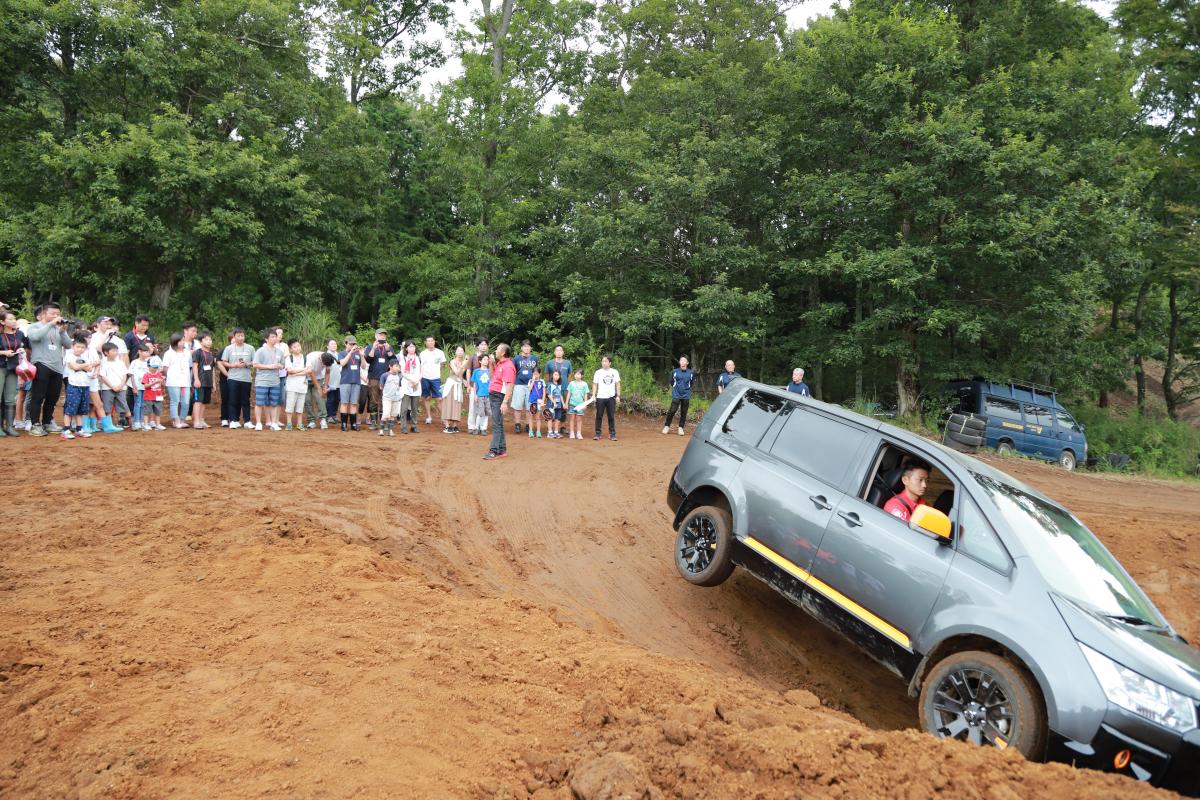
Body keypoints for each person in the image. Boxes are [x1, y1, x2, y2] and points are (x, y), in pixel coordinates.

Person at [25, 303, 73, 436]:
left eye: (58, 314)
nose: (56, 316)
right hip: (41, 364)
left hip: (57, 367)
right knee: (38, 396)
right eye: (53, 313)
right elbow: (34, 337)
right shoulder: (34, 326)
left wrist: (63, 332)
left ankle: (47, 422)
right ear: (44, 314)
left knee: (53, 397)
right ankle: (35, 424)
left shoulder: (58, 328)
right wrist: (51, 324)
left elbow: (68, 345)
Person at [0, 311, 30, 437]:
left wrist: (22, 349)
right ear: (2, 322)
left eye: (14, 318)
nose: (14, 321)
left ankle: (10, 427)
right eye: (11, 319)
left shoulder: (20, 334)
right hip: (1, 366)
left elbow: (26, 346)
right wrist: (3, 353)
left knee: (10, 398)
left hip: (13, 368)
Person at [484, 343, 516, 460]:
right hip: (495, 395)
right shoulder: (500, 364)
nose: (495, 350)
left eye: (497, 349)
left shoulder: (508, 366)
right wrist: (492, 364)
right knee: (498, 423)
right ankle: (502, 449)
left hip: (499, 397)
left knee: (496, 424)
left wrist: (505, 402)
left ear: (503, 353)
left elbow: (510, 385)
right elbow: (493, 377)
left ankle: (494, 450)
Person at [61, 333, 95, 440]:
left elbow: (90, 369)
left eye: (82, 347)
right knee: (70, 408)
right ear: (73, 347)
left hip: (85, 385)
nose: (80, 349)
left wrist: (82, 367)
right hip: (74, 385)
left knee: (82, 409)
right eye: (78, 347)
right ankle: (66, 429)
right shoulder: (69, 356)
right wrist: (84, 366)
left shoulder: (84, 357)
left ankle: (79, 429)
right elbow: (74, 366)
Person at [220, 328, 255, 429]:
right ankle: (233, 420)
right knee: (232, 400)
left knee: (245, 400)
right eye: (238, 336)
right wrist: (234, 365)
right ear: (234, 337)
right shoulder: (229, 348)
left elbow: (255, 362)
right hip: (233, 378)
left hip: (246, 379)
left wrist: (247, 364)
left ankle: (247, 421)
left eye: (242, 336)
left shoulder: (250, 348)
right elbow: (224, 362)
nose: (240, 338)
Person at [252, 328, 284, 431]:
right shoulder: (260, 351)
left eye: (275, 336)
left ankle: (274, 423)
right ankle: (258, 423)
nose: (275, 338)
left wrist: (280, 365)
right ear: (266, 339)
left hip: (275, 381)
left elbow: (283, 364)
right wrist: (270, 366)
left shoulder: (279, 351)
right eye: (272, 337)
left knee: (274, 403)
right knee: (260, 403)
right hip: (262, 381)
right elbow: (255, 364)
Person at [364, 328, 394, 430]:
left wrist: (388, 350)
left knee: (384, 400)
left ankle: (383, 422)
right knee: (373, 400)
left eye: (384, 336)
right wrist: (373, 348)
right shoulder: (370, 347)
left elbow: (394, 360)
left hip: (386, 378)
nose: (382, 337)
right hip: (374, 377)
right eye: (380, 335)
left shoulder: (389, 347)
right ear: (376, 336)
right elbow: (368, 360)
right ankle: (373, 422)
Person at [162, 333, 193, 429]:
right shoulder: (169, 353)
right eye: (180, 341)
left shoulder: (187, 353)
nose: (182, 342)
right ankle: (176, 421)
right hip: (173, 381)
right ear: (175, 342)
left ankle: (182, 419)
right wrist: (170, 376)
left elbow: (190, 366)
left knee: (186, 401)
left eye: (183, 340)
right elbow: (165, 368)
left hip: (185, 381)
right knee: (175, 401)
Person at [97, 342, 130, 433]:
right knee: (107, 407)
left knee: (124, 405)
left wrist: (121, 385)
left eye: (116, 351)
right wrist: (112, 386)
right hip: (107, 388)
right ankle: (108, 425)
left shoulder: (120, 362)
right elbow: (103, 376)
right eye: (113, 351)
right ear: (106, 352)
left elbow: (125, 375)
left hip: (121, 388)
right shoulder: (103, 362)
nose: (116, 352)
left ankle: (131, 423)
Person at [189, 331, 217, 429]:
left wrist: (213, 382)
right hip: (200, 381)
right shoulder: (198, 352)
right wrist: (196, 379)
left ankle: (201, 419)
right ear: (201, 342)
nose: (209, 342)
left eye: (210, 339)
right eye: (206, 340)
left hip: (208, 382)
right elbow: (195, 366)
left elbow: (212, 369)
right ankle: (196, 421)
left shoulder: (212, 354)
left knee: (204, 401)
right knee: (198, 401)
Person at [337, 335, 364, 431]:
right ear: (345, 344)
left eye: (354, 344)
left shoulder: (357, 354)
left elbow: (364, 366)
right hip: (345, 381)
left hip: (356, 381)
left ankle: (353, 424)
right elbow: (342, 363)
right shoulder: (341, 353)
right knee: (344, 403)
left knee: (353, 404)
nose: (353, 346)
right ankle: (343, 424)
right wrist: (350, 352)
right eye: (350, 344)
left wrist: (362, 355)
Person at [510, 340, 538, 434]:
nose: (526, 348)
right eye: (524, 346)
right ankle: (517, 425)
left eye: (528, 346)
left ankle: (528, 425)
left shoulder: (534, 358)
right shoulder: (516, 359)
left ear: (530, 348)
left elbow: (536, 371)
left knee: (529, 406)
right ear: (521, 348)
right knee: (518, 406)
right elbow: (513, 371)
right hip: (519, 384)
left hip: (531, 385)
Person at [663, 355, 695, 436]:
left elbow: (692, 383)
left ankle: (681, 428)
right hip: (676, 394)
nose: (682, 362)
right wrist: (675, 387)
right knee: (672, 411)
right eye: (681, 360)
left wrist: (687, 389)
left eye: (684, 360)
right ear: (679, 362)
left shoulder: (691, 372)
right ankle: (667, 426)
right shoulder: (675, 371)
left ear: (687, 362)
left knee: (684, 412)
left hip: (686, 395)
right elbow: (671, 381)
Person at [592, 355, 621, 441]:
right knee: (599, 416)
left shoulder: (614, 372)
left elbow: (617, 384)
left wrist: (618, 395)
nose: (604, 363)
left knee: (611, 416)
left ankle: (612, 434)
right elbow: (595, 384)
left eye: (606, 361)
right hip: (600, 397)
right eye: (603, 361)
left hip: (611, 397)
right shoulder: (598, 372)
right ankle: (597, 433)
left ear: (610, 363)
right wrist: (594, 395)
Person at [419, 335, 446, 425]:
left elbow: (442, 364)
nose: (430, 342)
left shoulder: (440, 352)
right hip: (425, 378)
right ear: (426, 343)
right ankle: (429, 417)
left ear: (434, 341)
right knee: (426, 398)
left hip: (436, 378)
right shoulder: (422, 353)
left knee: (439, 398)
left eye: (432, 340)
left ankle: (443, 418)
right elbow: (421, 366)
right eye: (428, 341)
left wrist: (436, 371)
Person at [283, 338, 309, 431]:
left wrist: (296, 373)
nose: (297, 348)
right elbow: (289, 370)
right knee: (290, 405)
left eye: (298, 345)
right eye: (295, 347)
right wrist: (303, 369)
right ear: (291, 349)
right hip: (292, 386)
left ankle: (299, 423)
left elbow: (309, 370)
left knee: (300, 406)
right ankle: (289, 423)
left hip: (302, 386)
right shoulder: (289, 358)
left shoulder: (305, 357)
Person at [441, 345, 467, 434]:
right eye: (458, 350)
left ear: (463, 352)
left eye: (461, 351)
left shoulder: (464, 362)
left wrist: (464, 381)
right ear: (455, 352)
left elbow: (460, 375)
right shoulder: (452, 361)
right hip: (451, 385)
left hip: (458, 384)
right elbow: (456, 372)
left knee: (457, 404)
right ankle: (447, 425)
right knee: (448, 404)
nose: (460, 352)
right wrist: (463, 365)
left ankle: (455, 425)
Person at [305, 349, 333, 430]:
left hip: (320, 378)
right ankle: (311, 420)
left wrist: (325, 386)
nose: (324, 366)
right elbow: (311, 373)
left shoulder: (329, 358)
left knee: (320, 398)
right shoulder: (311, 357)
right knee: (307, 400)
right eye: (323, 364)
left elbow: (327, 372)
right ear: (320, 359)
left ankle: (323, 419)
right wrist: (318, 387)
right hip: (306, 379)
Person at [466, 338, 488, 433]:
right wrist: (468, 385)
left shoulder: (489, 358)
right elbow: (468, 371)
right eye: (481, 344)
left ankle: (482, 427)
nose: (483, 346)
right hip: (474, 386)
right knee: (473, 406)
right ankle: (472, 426)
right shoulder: (473, 357)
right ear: (477, 346)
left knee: (485, 407)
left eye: (485, 344)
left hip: (486, 388)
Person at [400, 340, 422, 433]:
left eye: (413, 346)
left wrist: (417, 380)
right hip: (406, 384)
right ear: (406, 348)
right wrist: (412, 380)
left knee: (414, 407)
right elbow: (403, 373)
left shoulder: (419, 358)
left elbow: (422, 371)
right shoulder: (403, 358)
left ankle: (414, 425)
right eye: (409, 347)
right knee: (404, 408)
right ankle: (403, 426)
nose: (412, 348)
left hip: (417, 384)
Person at [128, 343, 151, 431]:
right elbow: (131, 375)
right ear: (139, 352)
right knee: (137, 404)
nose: (146, 354)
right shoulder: (134, 362)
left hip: (146, 387)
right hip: (137, 386)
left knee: (144, 404)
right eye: (144, 352)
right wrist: (134, 387)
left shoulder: (148, 362)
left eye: (147, 352)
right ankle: (136, 421)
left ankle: (142, 420)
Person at [379, 358, 403, 437]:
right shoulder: (385, 375)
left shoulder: (399, 376)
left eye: (398, 366)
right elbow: (381, 386)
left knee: (393, 415)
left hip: (396, 398)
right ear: (390, 366)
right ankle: (381, 430)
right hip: (387, 398)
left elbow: (399, 386)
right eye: (396, 366)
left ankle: (390, 431)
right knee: (386, 414)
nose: (397, 368)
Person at [141, 356, 166, 431]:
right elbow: (145, 386)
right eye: (153, 367)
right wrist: (154, 382)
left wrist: (163, 381)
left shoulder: (159, 374)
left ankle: (157, 424)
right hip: (148, 396)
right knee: (147, 411)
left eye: (156, 367)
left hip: (158, 396)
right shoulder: (146, 375)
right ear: (148, 366)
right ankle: (146, 424)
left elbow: (163, 385)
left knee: (158, 411)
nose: (155, 369)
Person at [469, 354, 491, 436]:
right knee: (480, 412)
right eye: (484, 359)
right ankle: (476, 427)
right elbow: (474, 384)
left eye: (487, 359)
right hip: (480, 394)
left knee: (486, 412)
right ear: (480, 361)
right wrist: (475, 394)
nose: (486, 361)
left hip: (488, 395)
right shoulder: (476, 371)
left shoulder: (490, 371)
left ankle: (483, 428)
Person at [566, 369, 589, 440]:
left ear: (582, 376)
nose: (577, 375)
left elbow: (586, 394)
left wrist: (585, 404)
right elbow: (569, 393)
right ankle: (572, 432)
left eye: (579, 374)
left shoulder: (584, 384)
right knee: (572, 419)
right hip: (572, 404)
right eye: (576, 374)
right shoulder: (571, 383)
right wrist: (566, 403)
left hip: (580, 405)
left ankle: (579, 433)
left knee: (579, 419)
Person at [323, 339, 341, 424]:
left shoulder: (338, 355)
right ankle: (329, 416)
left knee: (337, 399)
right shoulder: (326, 356)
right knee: (330, 399)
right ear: (327, 346)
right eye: (332, 344)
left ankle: (334, 415)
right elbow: (325, 370)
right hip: (330, 381)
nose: (334, 345)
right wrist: (325, 383)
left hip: (338, 381)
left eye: (335, 344)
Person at [545, 370, 565, 439]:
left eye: (558, 375)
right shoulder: (550, 384)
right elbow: (549, 395)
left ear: (559, 377)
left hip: (559, 405)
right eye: (555, 374)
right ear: (552, 376)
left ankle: (556, 432)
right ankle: (550, 433)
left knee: (557, 418)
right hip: (551, 404)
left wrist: (563, 404)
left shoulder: (559, 385)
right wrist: (554, 402)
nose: (556, 376)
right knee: (550, 418)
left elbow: (561, 395)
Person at [527, 368, 545, 439]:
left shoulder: (542, 381)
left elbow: (544, 392)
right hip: (532, 401)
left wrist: (543, 400)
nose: (536, 375)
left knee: (538, 417)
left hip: (539, 401)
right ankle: (531, 431)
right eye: (534, 374)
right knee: (531, 416)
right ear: (532, 374)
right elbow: (529, 389)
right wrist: (533, 380)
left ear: (540, 374)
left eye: (537, 374)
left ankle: (538, 431)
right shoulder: (530, 381)